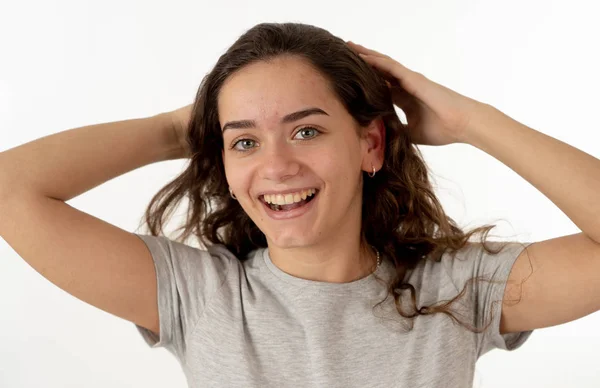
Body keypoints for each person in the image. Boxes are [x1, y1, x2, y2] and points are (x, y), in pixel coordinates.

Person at [1, 22, 600, 387]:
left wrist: (472, 121)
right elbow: (10, 189)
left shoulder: (458, 290)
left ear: (371, 143)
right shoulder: (200, 297)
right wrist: (176, 129)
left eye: (307, 130)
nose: (276, 166)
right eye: (244, 142)